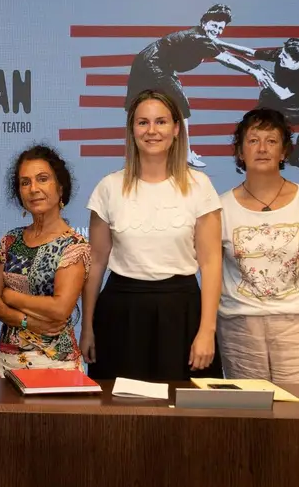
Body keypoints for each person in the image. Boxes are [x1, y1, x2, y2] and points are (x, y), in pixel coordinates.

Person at [81, 89, 224, 380]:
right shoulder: (108, 188)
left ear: (175, 129)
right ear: (132, 130)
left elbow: (211, 265)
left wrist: (207, 330)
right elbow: (95, 263)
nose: (152, 130)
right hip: (120, 314)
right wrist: (87, 327)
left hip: (181, 312)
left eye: (160, 122)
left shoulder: (200, 186)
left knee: (184, 417)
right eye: (142, 122)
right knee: (119, 418)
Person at [217, 109, 299, 384]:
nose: (262, 148)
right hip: (240, 330)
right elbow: (210, 271)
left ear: (284, 152)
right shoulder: (220, 207)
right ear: (239, 151)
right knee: (250, 420)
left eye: (271, 141)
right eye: (253, 140)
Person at [0, 145, 90, 376]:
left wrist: (10, 297)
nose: (34, 189)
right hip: (8, 362)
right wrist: (25, 322)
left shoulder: (73, 245)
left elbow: (60, 309)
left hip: (55, 364)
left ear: (60, 187)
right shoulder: (11, 239)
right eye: (25, 182)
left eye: (42, 179)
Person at [125, 3, 262, 169]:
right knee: (181, 109)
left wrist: (255, 67)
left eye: (220, 28)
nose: (217, 30)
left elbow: (228, 50)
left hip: (147, 61)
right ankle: (185, 154)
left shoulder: (202, 37)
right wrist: (254, 72)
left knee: (146, 108)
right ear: (204, 23)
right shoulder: (199, 39)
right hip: (154, 64)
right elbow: (228, 59)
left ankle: (157, 154)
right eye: (214, 25)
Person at [222, 38, 299, 171]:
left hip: (297, 98)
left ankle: (294, 157)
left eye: (285, 57)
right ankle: (245, 159)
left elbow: (284, 94)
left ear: (297, 62)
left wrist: (264, 76)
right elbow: (252, 53)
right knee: (254, 123)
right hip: (274, 89)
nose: (280, 57)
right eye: (282, 53)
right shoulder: (281, 54)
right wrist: (222, 43)